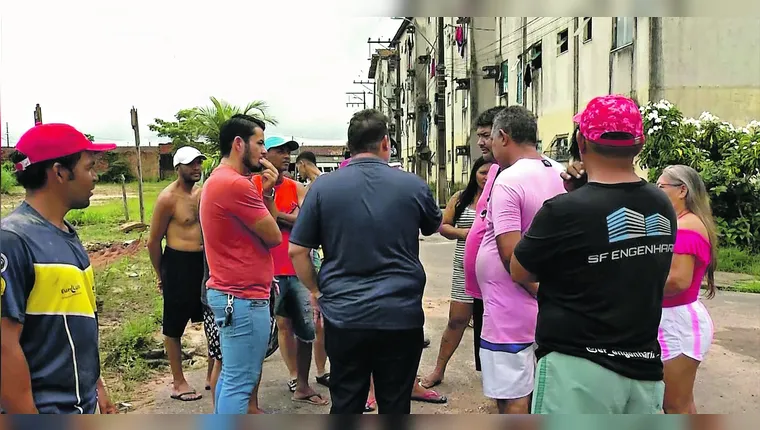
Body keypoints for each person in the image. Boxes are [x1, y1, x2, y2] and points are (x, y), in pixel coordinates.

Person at [510, 94, 677, 414]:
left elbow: (520, 270)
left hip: (577, 369)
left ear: (581, 142)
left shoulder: (564, 210)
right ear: (639, 144)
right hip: (644, 369)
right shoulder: (661, 203)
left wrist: (575, 197)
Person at [288, 109, 442, 414]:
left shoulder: (322, 187)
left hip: (345, 317)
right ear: (385, 143)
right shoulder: (412, 185)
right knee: (395, 404)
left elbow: (297, 250)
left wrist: (317, 292)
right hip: (400, 316)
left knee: (346, 401)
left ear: (349, 146)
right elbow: (433, 224)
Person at [0, 123, 117, 414]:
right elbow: (4, 346)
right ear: (60, 172)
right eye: (89, 167)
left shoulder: (66, 234)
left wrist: (98, 389)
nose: (95, 176)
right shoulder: (13, 241)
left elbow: (79, 323)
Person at [474, 106, 566, 414]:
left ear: (503, 136)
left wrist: (545, 294)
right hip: (548, 308)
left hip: (510, 310)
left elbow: (512, 256)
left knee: (513, 395)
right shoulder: (559, 171)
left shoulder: (509, 180)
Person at [199, 114, 282, 414]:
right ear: (239, 144)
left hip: (234, 294)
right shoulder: (236, 185)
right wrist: (269, 193)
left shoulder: (218, 181)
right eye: (259, 143)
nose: (264, 151)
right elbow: (274, 235)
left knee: (232, 376)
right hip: (243, 298)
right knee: (240, 381)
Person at [252, 137, 329, 406]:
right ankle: (294, 376)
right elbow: (259, 224)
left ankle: (304, 383)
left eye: (288, 152)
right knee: (278, 327)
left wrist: (273, 214)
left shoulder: (297, 188)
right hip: (265, 270)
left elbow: (308, 223)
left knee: (307, 328)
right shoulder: (252, 187)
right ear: (265, 155)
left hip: (297, 268)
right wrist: (286, 217)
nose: (286, 156)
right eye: (279, 151)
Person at [420, 156, 493, 389]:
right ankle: (438, 370)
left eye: (491, 173)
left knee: (493, 325)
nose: (486, 177)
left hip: (495, 272)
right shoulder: (460, 198)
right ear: (474, 173)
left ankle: (494, 378)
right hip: (464, 268)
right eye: (482, 172)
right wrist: (467, 234)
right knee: (457, 319)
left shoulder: (503, 195)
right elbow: (443, 227)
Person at [147, 146, 207, 402]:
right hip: (178, 263)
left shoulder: (202, 194)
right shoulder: (167, 198)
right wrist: (162, 274)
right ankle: (178, 381)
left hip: (202, 264)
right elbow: (153, 242)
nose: (196, 168)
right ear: (178, 167)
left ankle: (211, 376)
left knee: (211, 318)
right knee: (173, 326)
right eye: (190, 164)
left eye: (199, 163)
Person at [656, 165, 717, 414]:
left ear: (682, 190)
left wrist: (633, 286)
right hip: (673, 321)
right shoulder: (682, 222)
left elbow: (678, 281)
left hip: (679, 324)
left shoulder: (686, 227)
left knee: (675, 405)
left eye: (661, 187)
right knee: (678, 403)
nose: (657, 191)